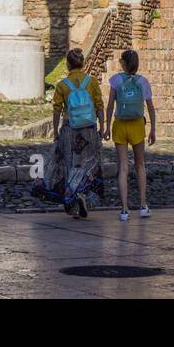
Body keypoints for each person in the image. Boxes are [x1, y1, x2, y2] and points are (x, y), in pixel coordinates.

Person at [32, 48, 105, 218]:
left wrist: (56, 131)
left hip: (69, 129)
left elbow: (57, 110)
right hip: (89, 130)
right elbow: (99, 106)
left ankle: (73, 201)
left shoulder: (62, 85)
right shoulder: (92, 82)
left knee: (69, 165)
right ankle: (81, 195)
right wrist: (103, 127)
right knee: (87, 164)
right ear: (83, 63)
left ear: (67, 64)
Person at [105, 49, 156, 222]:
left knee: (123, 167)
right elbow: (150, 107)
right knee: (140, 165)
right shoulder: (143, 81)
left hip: (120, 125)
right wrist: (153, 129)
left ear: (123, 64)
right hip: (137, 126)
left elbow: (110, 105)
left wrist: (105, 126)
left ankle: (124, 210)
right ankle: (143, 205)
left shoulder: (116, 80)